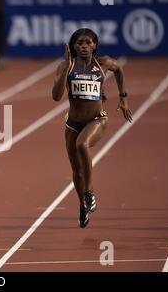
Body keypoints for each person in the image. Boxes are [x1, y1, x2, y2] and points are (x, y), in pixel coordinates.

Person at [52, 28, 133, 228]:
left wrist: (123, 98)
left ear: (95, 45)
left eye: (88, 43)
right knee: (76, 172)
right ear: (74, 46)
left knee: (82, 145)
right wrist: (67, 69)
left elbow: (119, 69)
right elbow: (56, 96)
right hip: (73, 123)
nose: (84, 47)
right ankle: (82, 205)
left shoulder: (103, 63)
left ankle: (89, 192)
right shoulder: (65, 66)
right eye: (80, 43)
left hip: (96, 119)